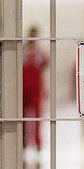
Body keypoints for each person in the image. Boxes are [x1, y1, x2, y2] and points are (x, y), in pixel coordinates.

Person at [22, 25, 49, 157]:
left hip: (36, 91)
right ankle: (23, 143)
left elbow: (45, 68)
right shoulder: (22, 51)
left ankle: (37, 144)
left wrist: (45, 89)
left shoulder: (39, 53)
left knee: (37, 118)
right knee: (21, 118)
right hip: (23, 90)